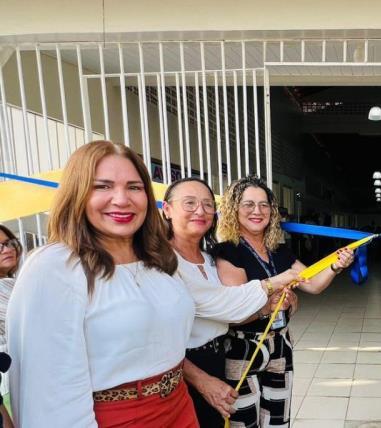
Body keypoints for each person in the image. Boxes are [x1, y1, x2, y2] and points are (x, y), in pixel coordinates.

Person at [7, 140, 198, 427]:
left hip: (179, 406)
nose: (122, 199)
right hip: (112, 418)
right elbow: (48, 393)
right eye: (102, 186)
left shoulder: (158, 258)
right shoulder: (54, 266)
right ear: (77, 193)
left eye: (134, 187)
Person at [213, 175, 354, 428]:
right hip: (244, 348)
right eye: (248, 204)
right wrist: (272, 301)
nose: (257, 211)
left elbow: (313, 283)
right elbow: (235, 312)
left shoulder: (279, 251)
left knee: (278, 420)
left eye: (264, 205)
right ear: (234, 209)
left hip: (280, 344)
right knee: (242, 422)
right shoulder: (228, 252)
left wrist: (335, 266)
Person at [162, 177, 296, 426]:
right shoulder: (160, 262)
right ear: (167, 209)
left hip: (219, 357)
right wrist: (274, 284)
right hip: (184, 369)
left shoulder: (208, 258)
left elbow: (232, 307)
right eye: (189, 203)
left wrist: (271, 305)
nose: (200, 211)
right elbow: (222, 304)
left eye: (207, 204)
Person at [0, 225, 18, 428]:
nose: (7, 249)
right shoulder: (6, 288)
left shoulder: (11, 283)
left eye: (9, 243)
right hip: (11, 382)